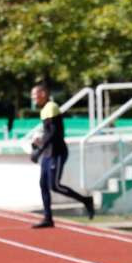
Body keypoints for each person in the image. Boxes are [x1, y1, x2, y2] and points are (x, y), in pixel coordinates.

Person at [29, 84, 95, 227]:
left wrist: (39, 151)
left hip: (57, 152)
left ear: (43, 93)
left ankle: (86, 200)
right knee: (43, 185)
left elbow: (53, 133)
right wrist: (38, 143)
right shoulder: (44, 110)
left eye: (35, 94)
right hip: (48, 153)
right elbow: (48, 133)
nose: (33, 97)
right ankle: (48, 218)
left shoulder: (51, 107)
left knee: (55, 186)